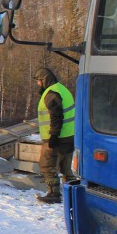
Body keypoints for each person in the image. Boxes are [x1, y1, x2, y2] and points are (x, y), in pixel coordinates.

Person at [34, 67, 75, 204]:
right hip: (69, 136)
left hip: (57, 138)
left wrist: (53, 136)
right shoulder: (62, 89)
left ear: (44, 80)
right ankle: (74, 193)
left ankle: (53, 194)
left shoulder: (51, 94)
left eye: (39, 81)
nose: (38, 84)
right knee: (66, 168)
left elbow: (56, 116)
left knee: (47, 166)